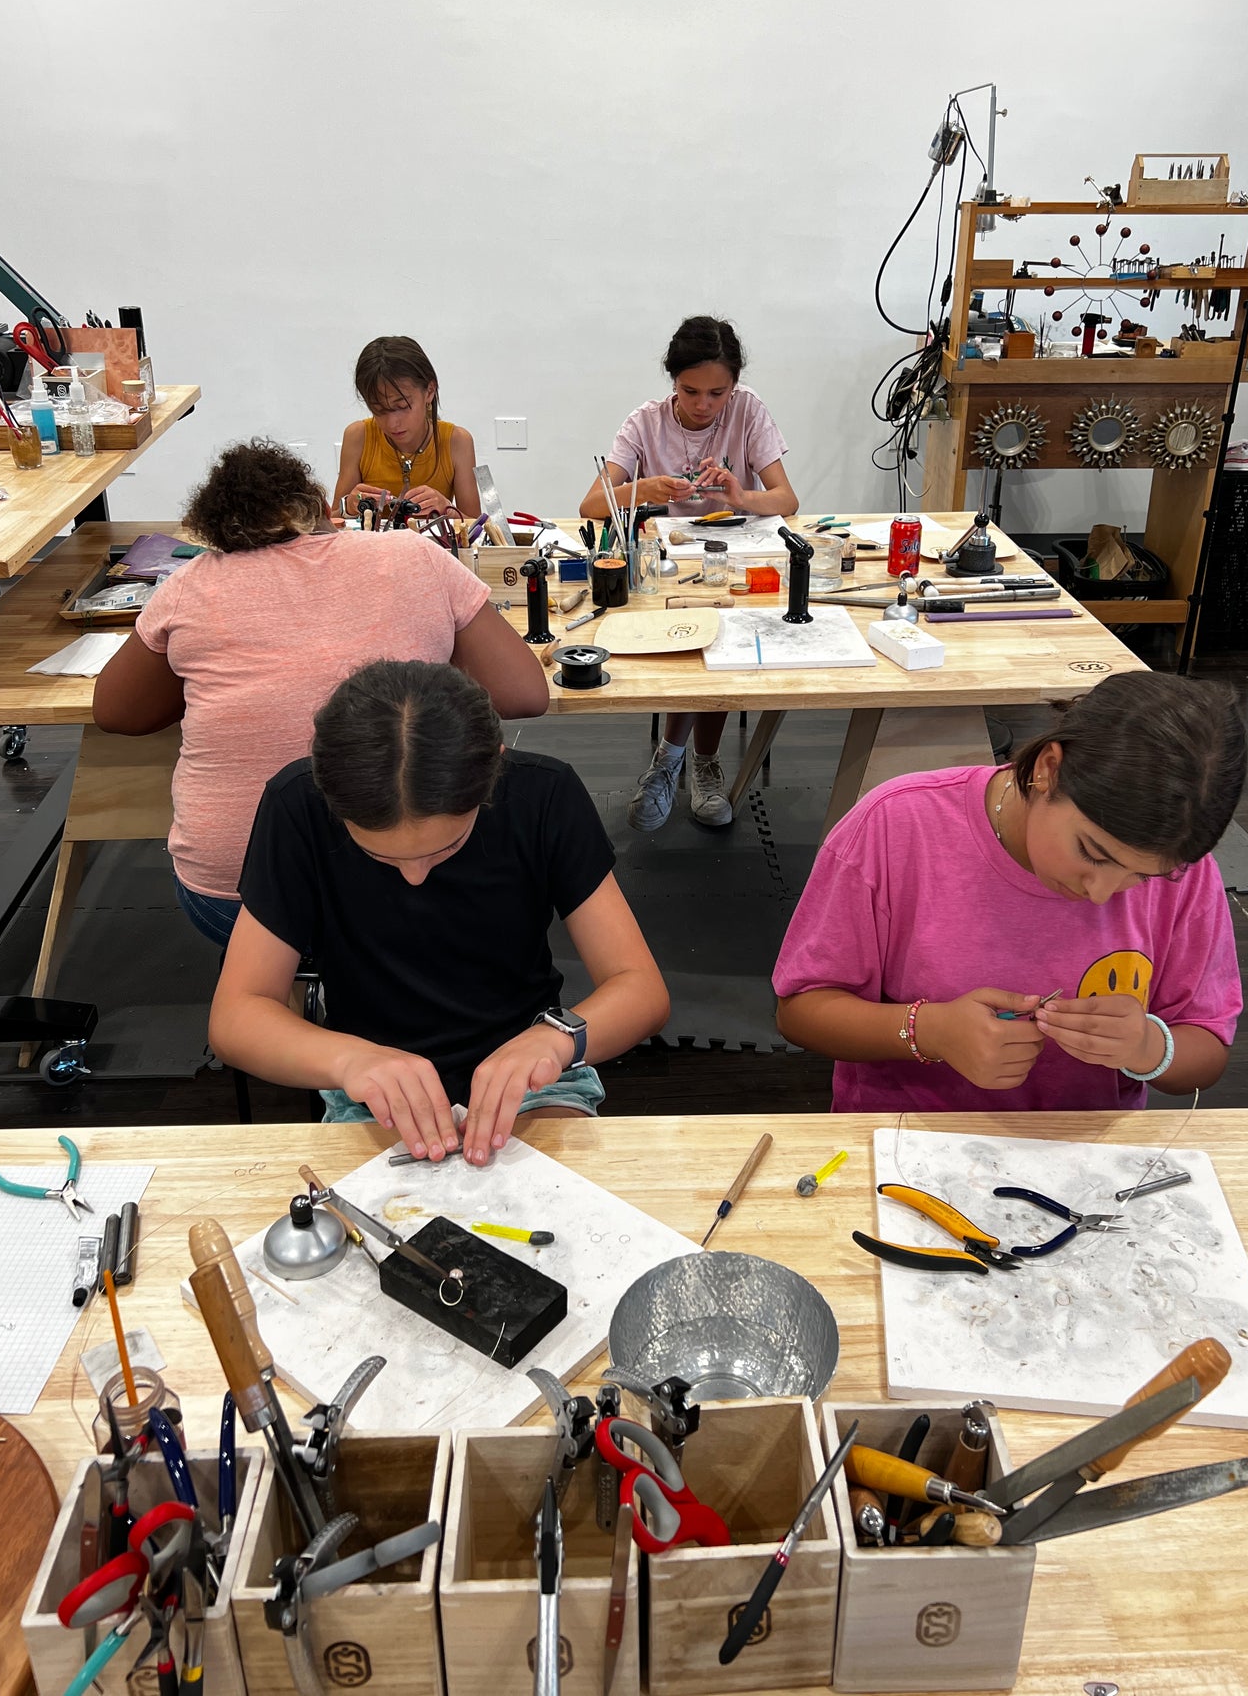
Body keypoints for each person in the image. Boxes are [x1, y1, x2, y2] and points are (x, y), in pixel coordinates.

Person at [209, 660, 670, 1164]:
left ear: (493, 769)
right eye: (382, 857)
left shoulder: (543, 795)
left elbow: (640, 988)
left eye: (445, 849)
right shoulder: (297, 806)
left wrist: (556, 1040)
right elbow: (237, 1015)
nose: (414, 877)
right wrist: (348, 1059)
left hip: (530, 1076)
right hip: (373, 1089)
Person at [92, 438, 547, 945]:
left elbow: (115, 712)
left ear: (214, 534)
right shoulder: (411, 554)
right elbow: (525, 695)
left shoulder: (189, 584)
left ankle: (273, 990)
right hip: (412, 874)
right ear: (324, 508)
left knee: (281, 943)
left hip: (231, 897)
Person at [774, 672, 1247, 1113]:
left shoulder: (1182, 869)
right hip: (908, 1137)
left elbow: (1206, 1043)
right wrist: (931, 1031)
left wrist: (1149, 1047)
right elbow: (800, 1011)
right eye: (1092, 852)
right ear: (1048, 770)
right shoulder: (897, 826)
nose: (1102, 894)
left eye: (1141, 877)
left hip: (1087, 1154)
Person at [579, 316, 799, 834]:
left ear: (735, 385)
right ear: (672, 382)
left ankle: (680, 759)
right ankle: (690, 759)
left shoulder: (748, 411)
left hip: (731, 556)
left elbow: (786, 500)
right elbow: (591, 504)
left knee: (720, 638)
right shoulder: (644, 423)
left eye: (717, 392)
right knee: (692, 638)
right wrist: (646, 489)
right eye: (690, 391)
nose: (704, 404)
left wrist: (741, 496)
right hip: (669, 567)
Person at [334, 335, 480, 521]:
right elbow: (333, 521)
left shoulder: (457, 441)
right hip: (374, 550)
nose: (392, 423)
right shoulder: (358, 436)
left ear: (429, 391)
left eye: (402, 406)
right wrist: (349, 506)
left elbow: (477, 527)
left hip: (431, 549)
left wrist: (447, 509)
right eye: (378, 410)